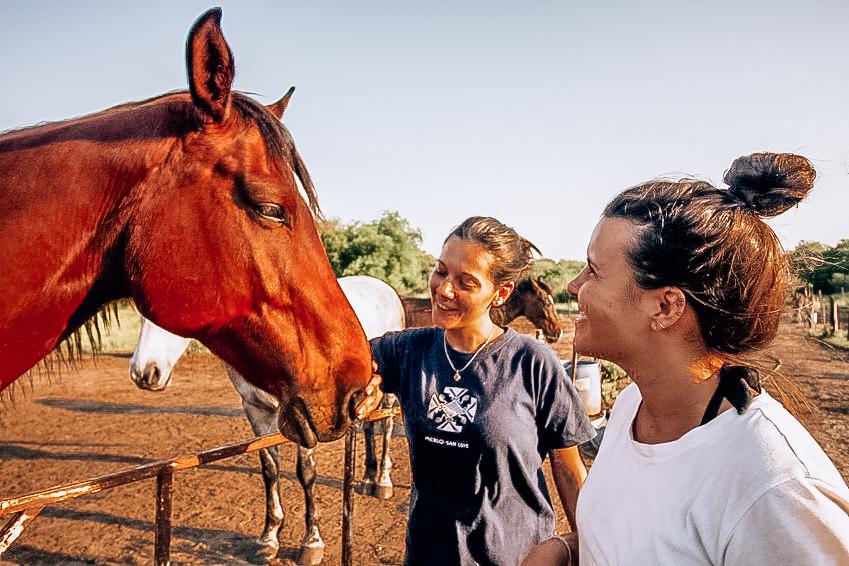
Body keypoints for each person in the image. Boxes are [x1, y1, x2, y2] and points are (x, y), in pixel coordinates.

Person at [522, 152, 849, 565]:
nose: (574, 285)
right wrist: (568, 548)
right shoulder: (631, 410)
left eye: (593, 270)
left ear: (665, 307)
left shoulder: (776, 490)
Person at [356, 216, 596, 565]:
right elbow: (344, 363)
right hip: (428, 553)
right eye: (441, 271)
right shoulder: (407, 351)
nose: (444, 289)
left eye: (465, 282)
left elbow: (568, 467)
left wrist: (591, 552)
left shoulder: (534, 364)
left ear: (500, 294)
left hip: (515, 556)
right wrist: (367, 380)